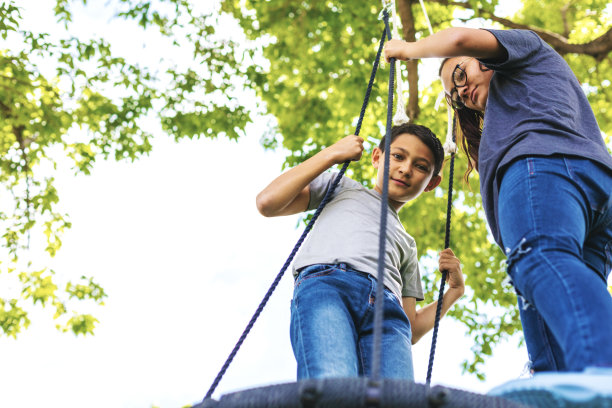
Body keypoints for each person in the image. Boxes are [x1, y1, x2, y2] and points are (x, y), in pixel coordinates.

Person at [384, 27, 612, 374]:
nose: (461, 90)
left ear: (484, 58)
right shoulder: (517, 106)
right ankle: (562, 386)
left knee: (539, 257)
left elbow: (460, 40)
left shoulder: (526, 52)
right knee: (552, 307)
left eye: (460, 73)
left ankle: (602, 370)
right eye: (455, 96)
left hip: (549, 172)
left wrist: (406, 48)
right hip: (595, 194)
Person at [256, 123, 465, 380]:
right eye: (398, 156)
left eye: (421, 166)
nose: (406, 169)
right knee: (333, 382)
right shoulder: (342, 187)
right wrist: (332, 153)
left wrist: (454, 292)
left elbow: (410, 328)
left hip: (388, 313)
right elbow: (268, 202)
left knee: (398, 398)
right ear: (377, 157)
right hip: (329, 286)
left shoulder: (408, 245)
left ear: (431, 183)